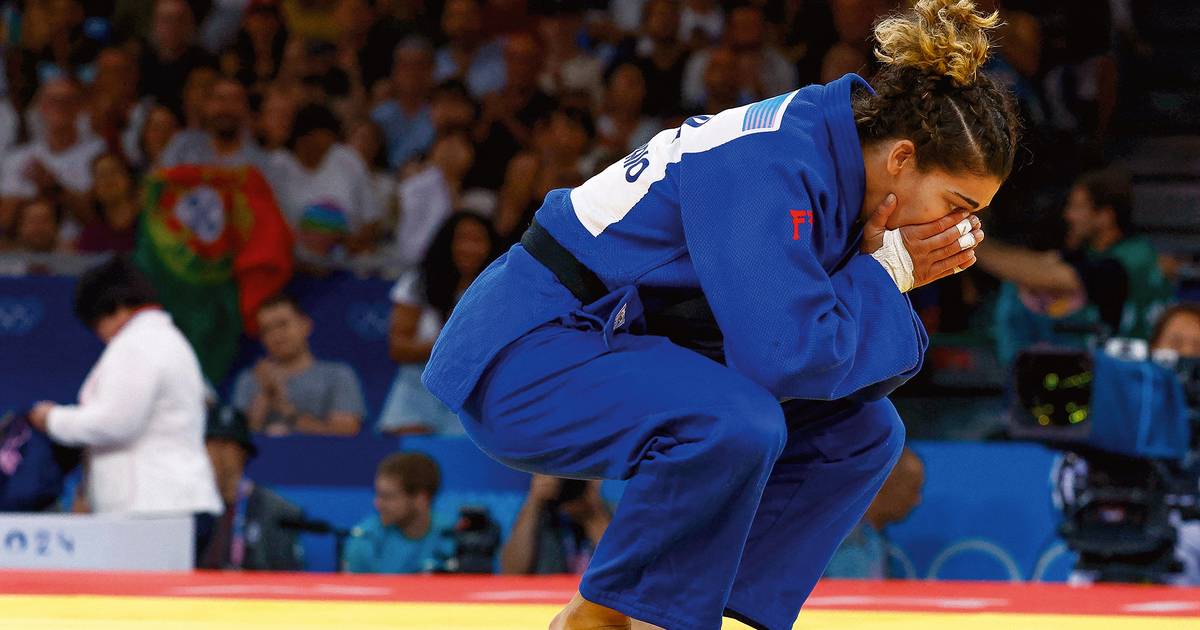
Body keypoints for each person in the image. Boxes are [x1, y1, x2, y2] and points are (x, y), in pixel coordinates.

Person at [421, 1, 1017, 628]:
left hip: (622, 345)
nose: (960, 227)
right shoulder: (774, 162)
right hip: (530, 353)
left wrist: (874, 267)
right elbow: (785, 363)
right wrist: (888, 272)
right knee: (738, 420)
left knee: (862, 436)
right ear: (901, 158)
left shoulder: (834, 158)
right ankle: (604, 617)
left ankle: (708, 614)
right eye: (956, 202)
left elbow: (847, 378)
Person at [28, 257, 222, 557]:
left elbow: (114, 423)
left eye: (96, 323)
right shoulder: (166, 340)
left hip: (153, 509)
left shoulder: (137, 343)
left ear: (115, 307)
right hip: (170, 503)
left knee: (145, 605)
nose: (100, 334)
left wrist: (51, 418)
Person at [977, 167, 1173, 340]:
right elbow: (1040, 264)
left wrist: (973, 245)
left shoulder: (1130, 258)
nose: (1068, 215)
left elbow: (1051, 277)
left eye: (1078, 207)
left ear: (1105, 216)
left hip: (1134, 365)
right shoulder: (1093, 250)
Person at [378, 212, 499, 436]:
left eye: (478, 240)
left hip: (473, 393)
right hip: (417, 388)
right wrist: (450, 344)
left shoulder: (500, 289)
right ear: (447, 242)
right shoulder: (418, 282)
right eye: (462, 239)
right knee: (411, 463)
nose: (469, 248)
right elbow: (399, 348)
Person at [232, 294, 366, 436]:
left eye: (282, 324)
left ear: (305, 325)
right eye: (266, 330)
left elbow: (346, 433)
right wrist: (265, 394)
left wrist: (287, 411)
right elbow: (234, 441)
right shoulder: (248, 379)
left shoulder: (337, 375)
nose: (276, 335)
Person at [270, 103, 384, 258]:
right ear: (304, 137)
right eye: (323, 136)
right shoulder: (276, 165)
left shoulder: (348, 160)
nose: (330, 142)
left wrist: (348, 244)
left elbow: (372, 218)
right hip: (293, 261)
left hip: (346, 261)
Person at [200, 403, 305, 571]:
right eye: (211, 444)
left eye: (227, 445)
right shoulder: (191, 508)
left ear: (244, 454)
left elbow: (286, 575)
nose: (218, 454)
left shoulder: (277, 511)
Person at [343, 452, 453, 574]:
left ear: (421, 499)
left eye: (388, 497)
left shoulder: (453, 537)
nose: (377, 504)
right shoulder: (364, 541)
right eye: (378, 494)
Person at [824, 447, 925, 579]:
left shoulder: (874, 538)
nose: (917, 500)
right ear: (886, 481)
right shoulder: (848, 541)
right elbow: (851, 596)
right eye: (913, 489)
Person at [501, 475, 611, 575]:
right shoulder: (537, 516)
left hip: (596, 596)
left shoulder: (613, 514)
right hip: (546, 594)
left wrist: (593, 515)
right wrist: (533, 501)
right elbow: (511, 573)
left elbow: (621, 569)